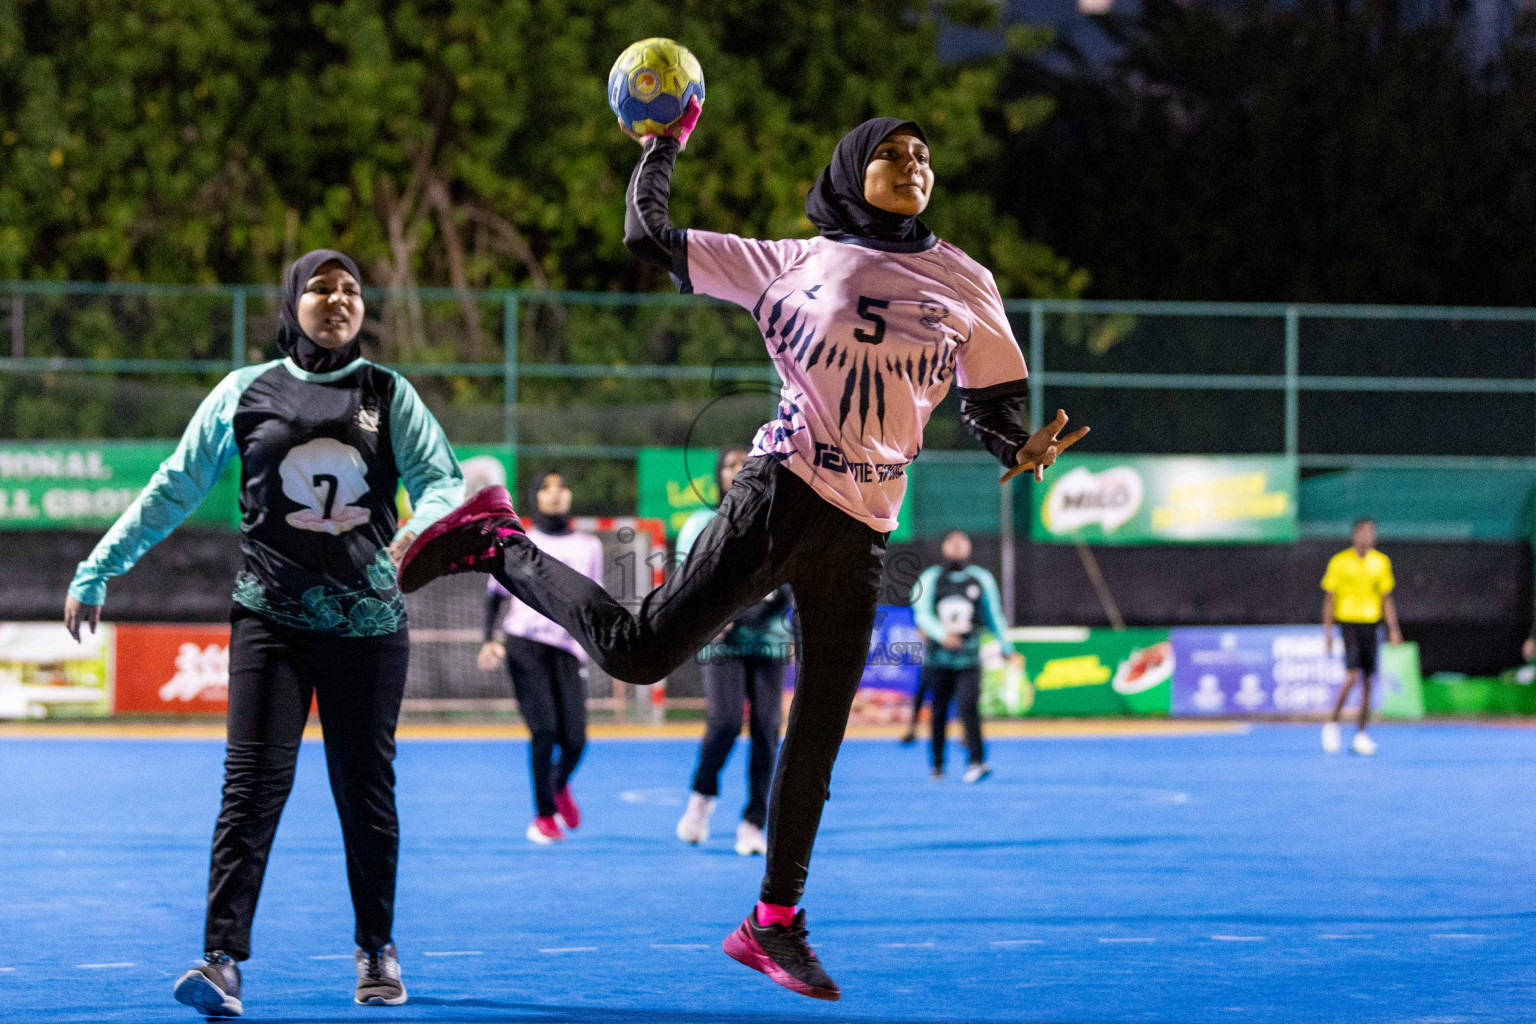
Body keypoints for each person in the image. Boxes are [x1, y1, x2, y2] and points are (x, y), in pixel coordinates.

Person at [397, 111, 1088, 1001]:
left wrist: (1014, 446)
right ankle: (495, 538)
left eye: (922, 154)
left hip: (868, 524)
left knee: (819, 735)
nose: (913, 163)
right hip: (783, 491)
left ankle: (774, 923)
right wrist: (662, 145)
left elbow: (989, 397)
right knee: (639, 651)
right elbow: (648, 235)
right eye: (892, 153)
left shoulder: (966, 279)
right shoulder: (790, 262)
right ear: (849, 171)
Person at [63, 250, 464, 1016]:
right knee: (249, 791)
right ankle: (221, 962)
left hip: (369, 626)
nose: (338, 299)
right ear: (293, 301)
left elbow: (442, 478)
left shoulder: (389, 392)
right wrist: (99, 564)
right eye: (321, 288)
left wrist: (422, 530)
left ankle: (376, 949)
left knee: (365, 794)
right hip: (269, 622)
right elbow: (175, 485)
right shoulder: (244, 392)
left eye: (350, 288)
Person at [674, 447, 793, 856]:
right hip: (721, 639)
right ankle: (701, 801)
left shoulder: (778, 520)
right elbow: (688, 576)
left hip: (769, 638)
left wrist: (764, 613)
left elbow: (792, 576)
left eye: (745, 461)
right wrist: (711, 617)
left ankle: (752, 822)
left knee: (766, 729)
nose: (737, 469)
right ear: (718, 474)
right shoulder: (702, 523)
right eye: (728, 464)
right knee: (724, 722)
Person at [478, 470, 603, 844]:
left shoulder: (589, 546)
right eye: (546, 488)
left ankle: (557, 785)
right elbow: (494, 595)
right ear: (535, 497)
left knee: (576, 740)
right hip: (524, 644)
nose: (555, 494)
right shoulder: (519, 542)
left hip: (567, 649)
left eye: (562, 486)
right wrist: (488, 639)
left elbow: (592, 600)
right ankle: (544, 815)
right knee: (545, 730)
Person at [910, 530, 1017, 782]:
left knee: (969, 707)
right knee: (938, 711)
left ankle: (977, 761)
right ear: (944, 547)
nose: (957, 547)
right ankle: (937, 764)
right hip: (938, 659)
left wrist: (1007, 646)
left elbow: (994, 616)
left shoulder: (980, 579)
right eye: (952, 542)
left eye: (962, 542)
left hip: (969, 658)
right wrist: (940, 633)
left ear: (969, 547)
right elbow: (921, 612)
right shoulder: (932, 577)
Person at [1321, 517, 1402, 756]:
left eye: (1372, 532)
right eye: (1364, 532)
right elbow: (1330, 597)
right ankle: (1332, 724)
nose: (1368, 537)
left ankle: (1361, 734)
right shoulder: (1340, 561)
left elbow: (1387, 598)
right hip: (1348, 623)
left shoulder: (1381, 562)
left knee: (1368, 680)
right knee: (1352, 675)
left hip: (1371, 624)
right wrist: (1327, 630)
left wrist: (1393, 628)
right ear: (1355, 534)